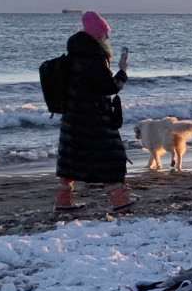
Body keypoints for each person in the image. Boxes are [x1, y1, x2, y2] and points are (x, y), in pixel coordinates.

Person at [55, 11, 136, 212]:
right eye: (104, 34)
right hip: (94, 118)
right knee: (111, 157)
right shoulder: (94, 58)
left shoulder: (74, 54)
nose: (107, 38)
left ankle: (63, 200)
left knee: (72, 158)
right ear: (97, 36)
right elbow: (109, 87)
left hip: (72, 117)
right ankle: (119, 199)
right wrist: (123, 72)